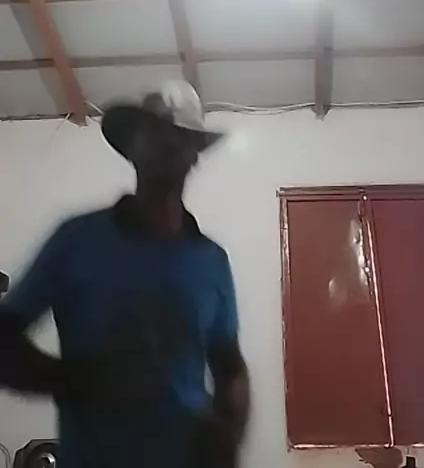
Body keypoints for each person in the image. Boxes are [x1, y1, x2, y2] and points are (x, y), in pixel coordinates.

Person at [0, 82, 250, 468]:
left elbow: (230, 366)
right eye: (153, 131)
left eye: (179, 135)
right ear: (132, 147)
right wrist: (76, 379)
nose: (166, 143)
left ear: (195, 153)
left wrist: (228, 436)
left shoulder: (211, 261)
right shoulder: (77, 241)